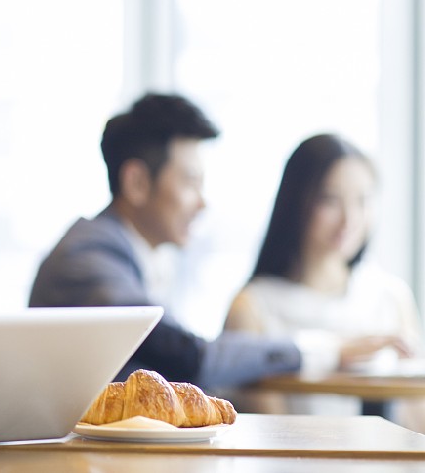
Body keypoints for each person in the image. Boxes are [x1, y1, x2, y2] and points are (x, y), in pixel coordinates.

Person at [30, 93, 312, 392]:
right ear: (137, 183)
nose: (202, 203)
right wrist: (308, 352)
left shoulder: (142, 255)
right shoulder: (88, 256)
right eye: (190, 182)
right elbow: (187, 358)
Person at [224, 134, 421, 425]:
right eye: (330, 200)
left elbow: (417, 422)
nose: (349, 218)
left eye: (363, 201)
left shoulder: (391, 296)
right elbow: (271, 437)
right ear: (297, 201)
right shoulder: (253, 306)